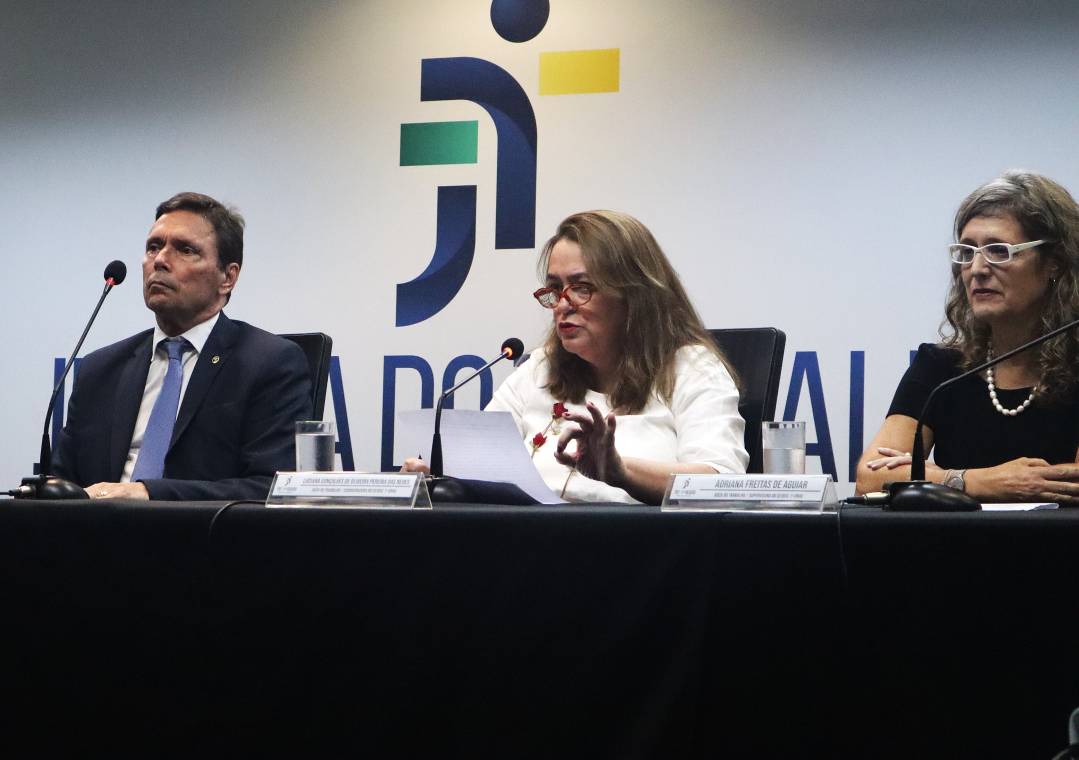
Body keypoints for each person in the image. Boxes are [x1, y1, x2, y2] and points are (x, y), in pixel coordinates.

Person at [407, 210, 748, 504]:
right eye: (555, 289)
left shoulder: (691, 369)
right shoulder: (539, 369)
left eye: (581, 287)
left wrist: (621, 471)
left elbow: (721, 482)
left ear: (634, 295)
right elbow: (478, 464)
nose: (561, 305)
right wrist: (437, 473)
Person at [52, 192, 312, 501]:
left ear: (227, 277)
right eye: (153, 247)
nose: (160, 260)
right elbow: (60, 487)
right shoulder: (100, 369)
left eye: (185, 250)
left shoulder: (269, 363)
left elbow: (271, 488)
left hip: (205, 531)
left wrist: (147, 493)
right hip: (98, 528)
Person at [856, 170, 1079, 503]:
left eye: (998, 251)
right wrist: (974, 481)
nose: (977, 269)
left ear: (1054, 264)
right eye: (967, 251)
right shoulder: (942, 368)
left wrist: (930, 479)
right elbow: (870, 478)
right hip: (952, 538)